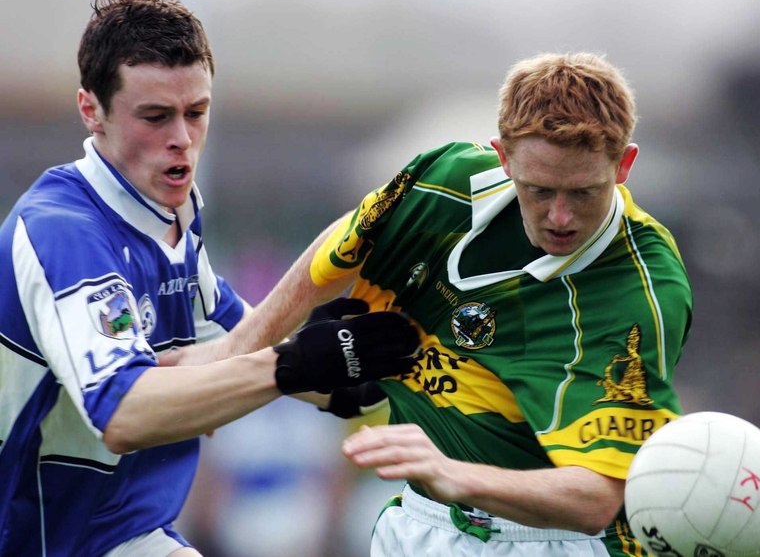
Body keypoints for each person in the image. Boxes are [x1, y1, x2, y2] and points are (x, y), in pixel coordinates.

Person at [171, 52, 693, 556]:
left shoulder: (642, 290)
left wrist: (453, 475)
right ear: (503, 155)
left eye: (583, 192)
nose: (559, 216)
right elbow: (349, 242)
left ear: (624, 165)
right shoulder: (445, 181)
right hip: (422, 525)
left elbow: (597, 500)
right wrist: (235, 351)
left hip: (559, 542)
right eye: (539, 190)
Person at [0, 0, 419, 557]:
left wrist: (362, 368)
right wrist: (291, 365)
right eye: (155, 117)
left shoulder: (174, 234)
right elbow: (124, 413)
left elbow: (247, 351)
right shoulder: (64, 231)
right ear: (90, 109)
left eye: (196, 113)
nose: (181, 138)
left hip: (125, 534)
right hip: (39, 539)